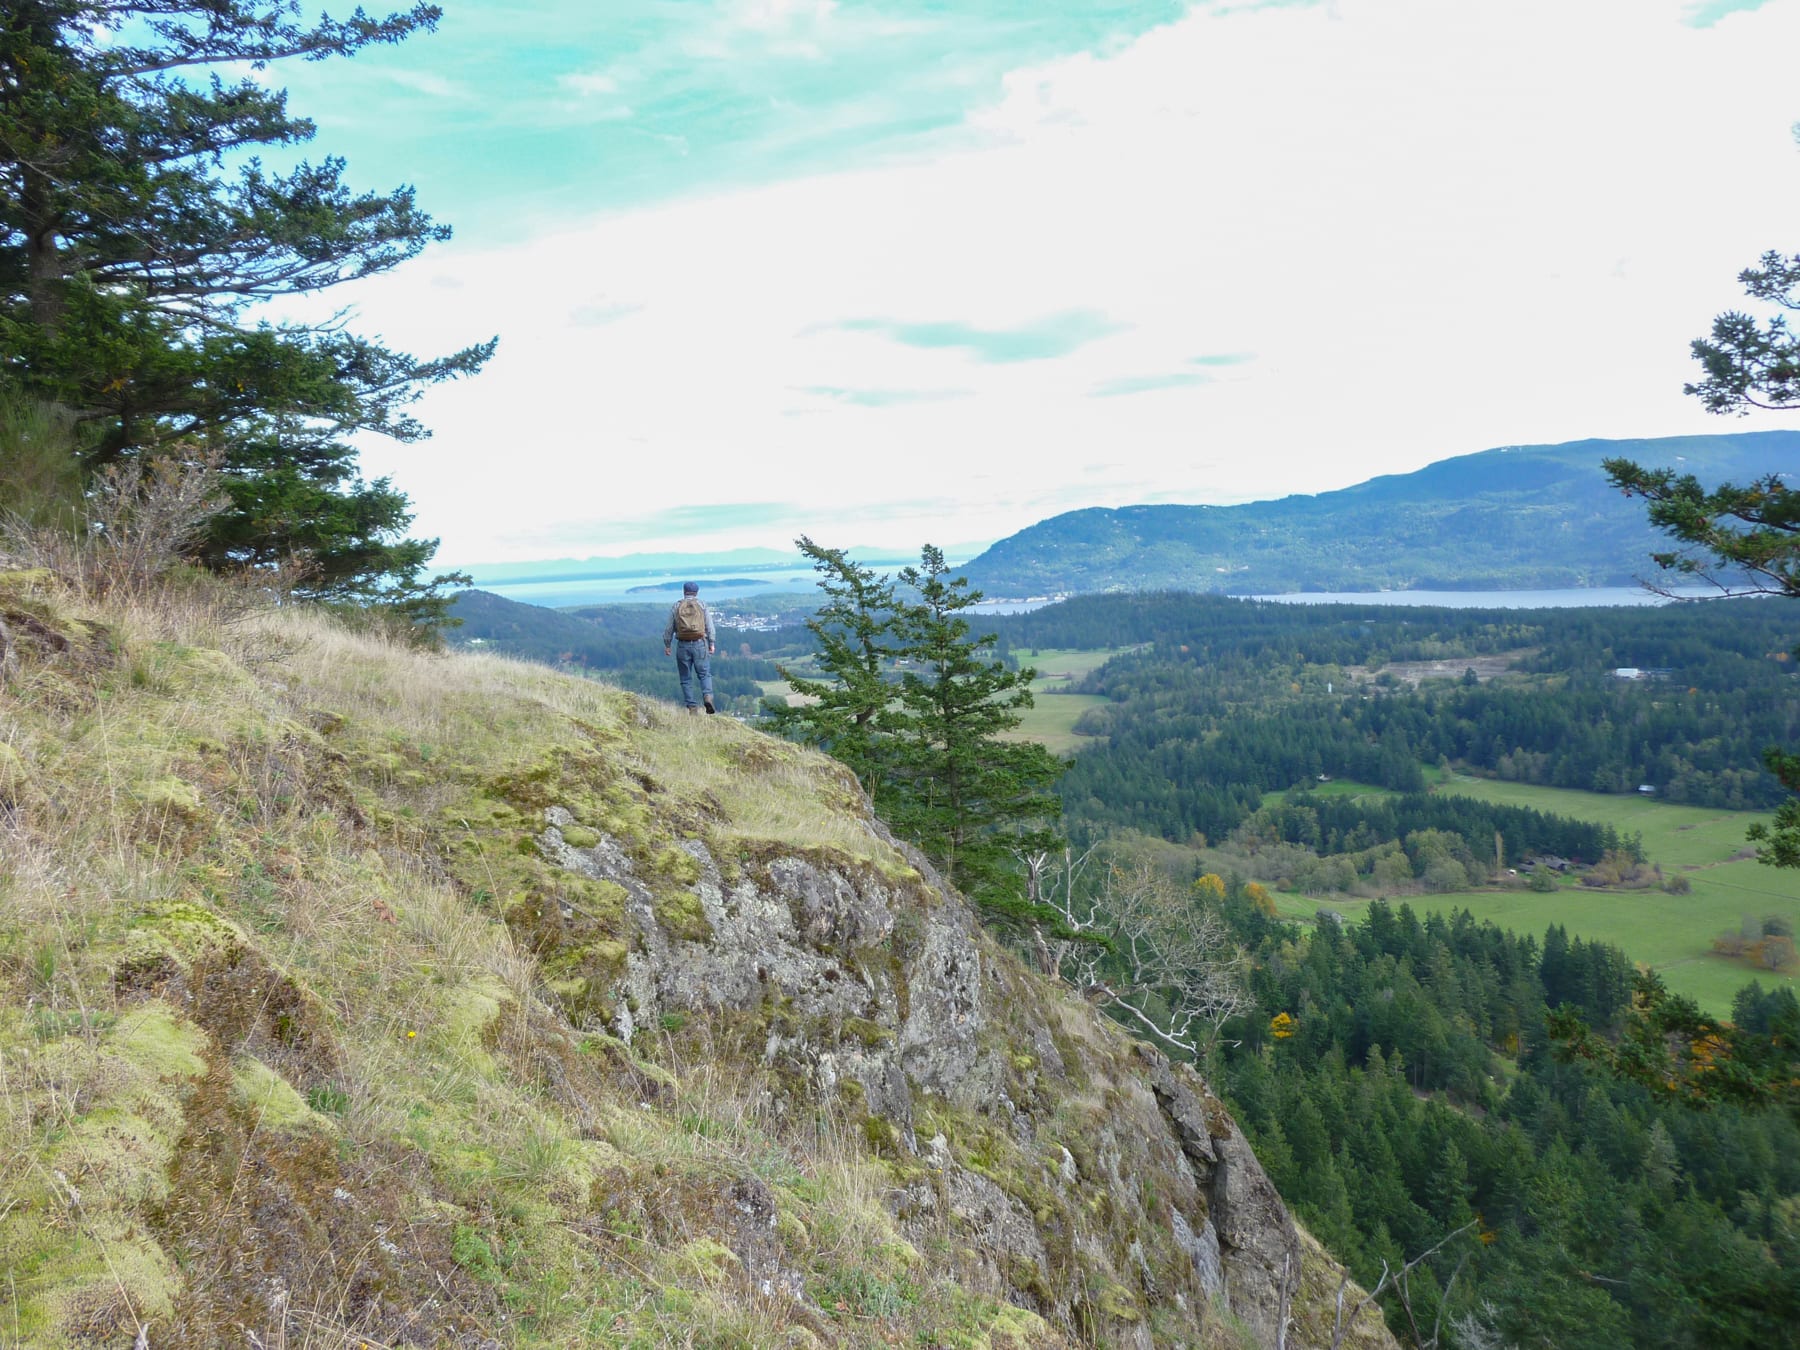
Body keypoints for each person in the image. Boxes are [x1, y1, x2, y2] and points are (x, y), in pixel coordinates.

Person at [662, 581, 716, 714]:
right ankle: (707, 697)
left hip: (682, 646)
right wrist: (712, 643)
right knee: (704, 674)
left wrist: (667, 645)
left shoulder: (677, 606)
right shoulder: (702, 605)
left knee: (685, 678)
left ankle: (692, 707)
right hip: (699, 644)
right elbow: (710, 626)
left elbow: (669, 628)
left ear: (684, 591)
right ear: (696, 592)